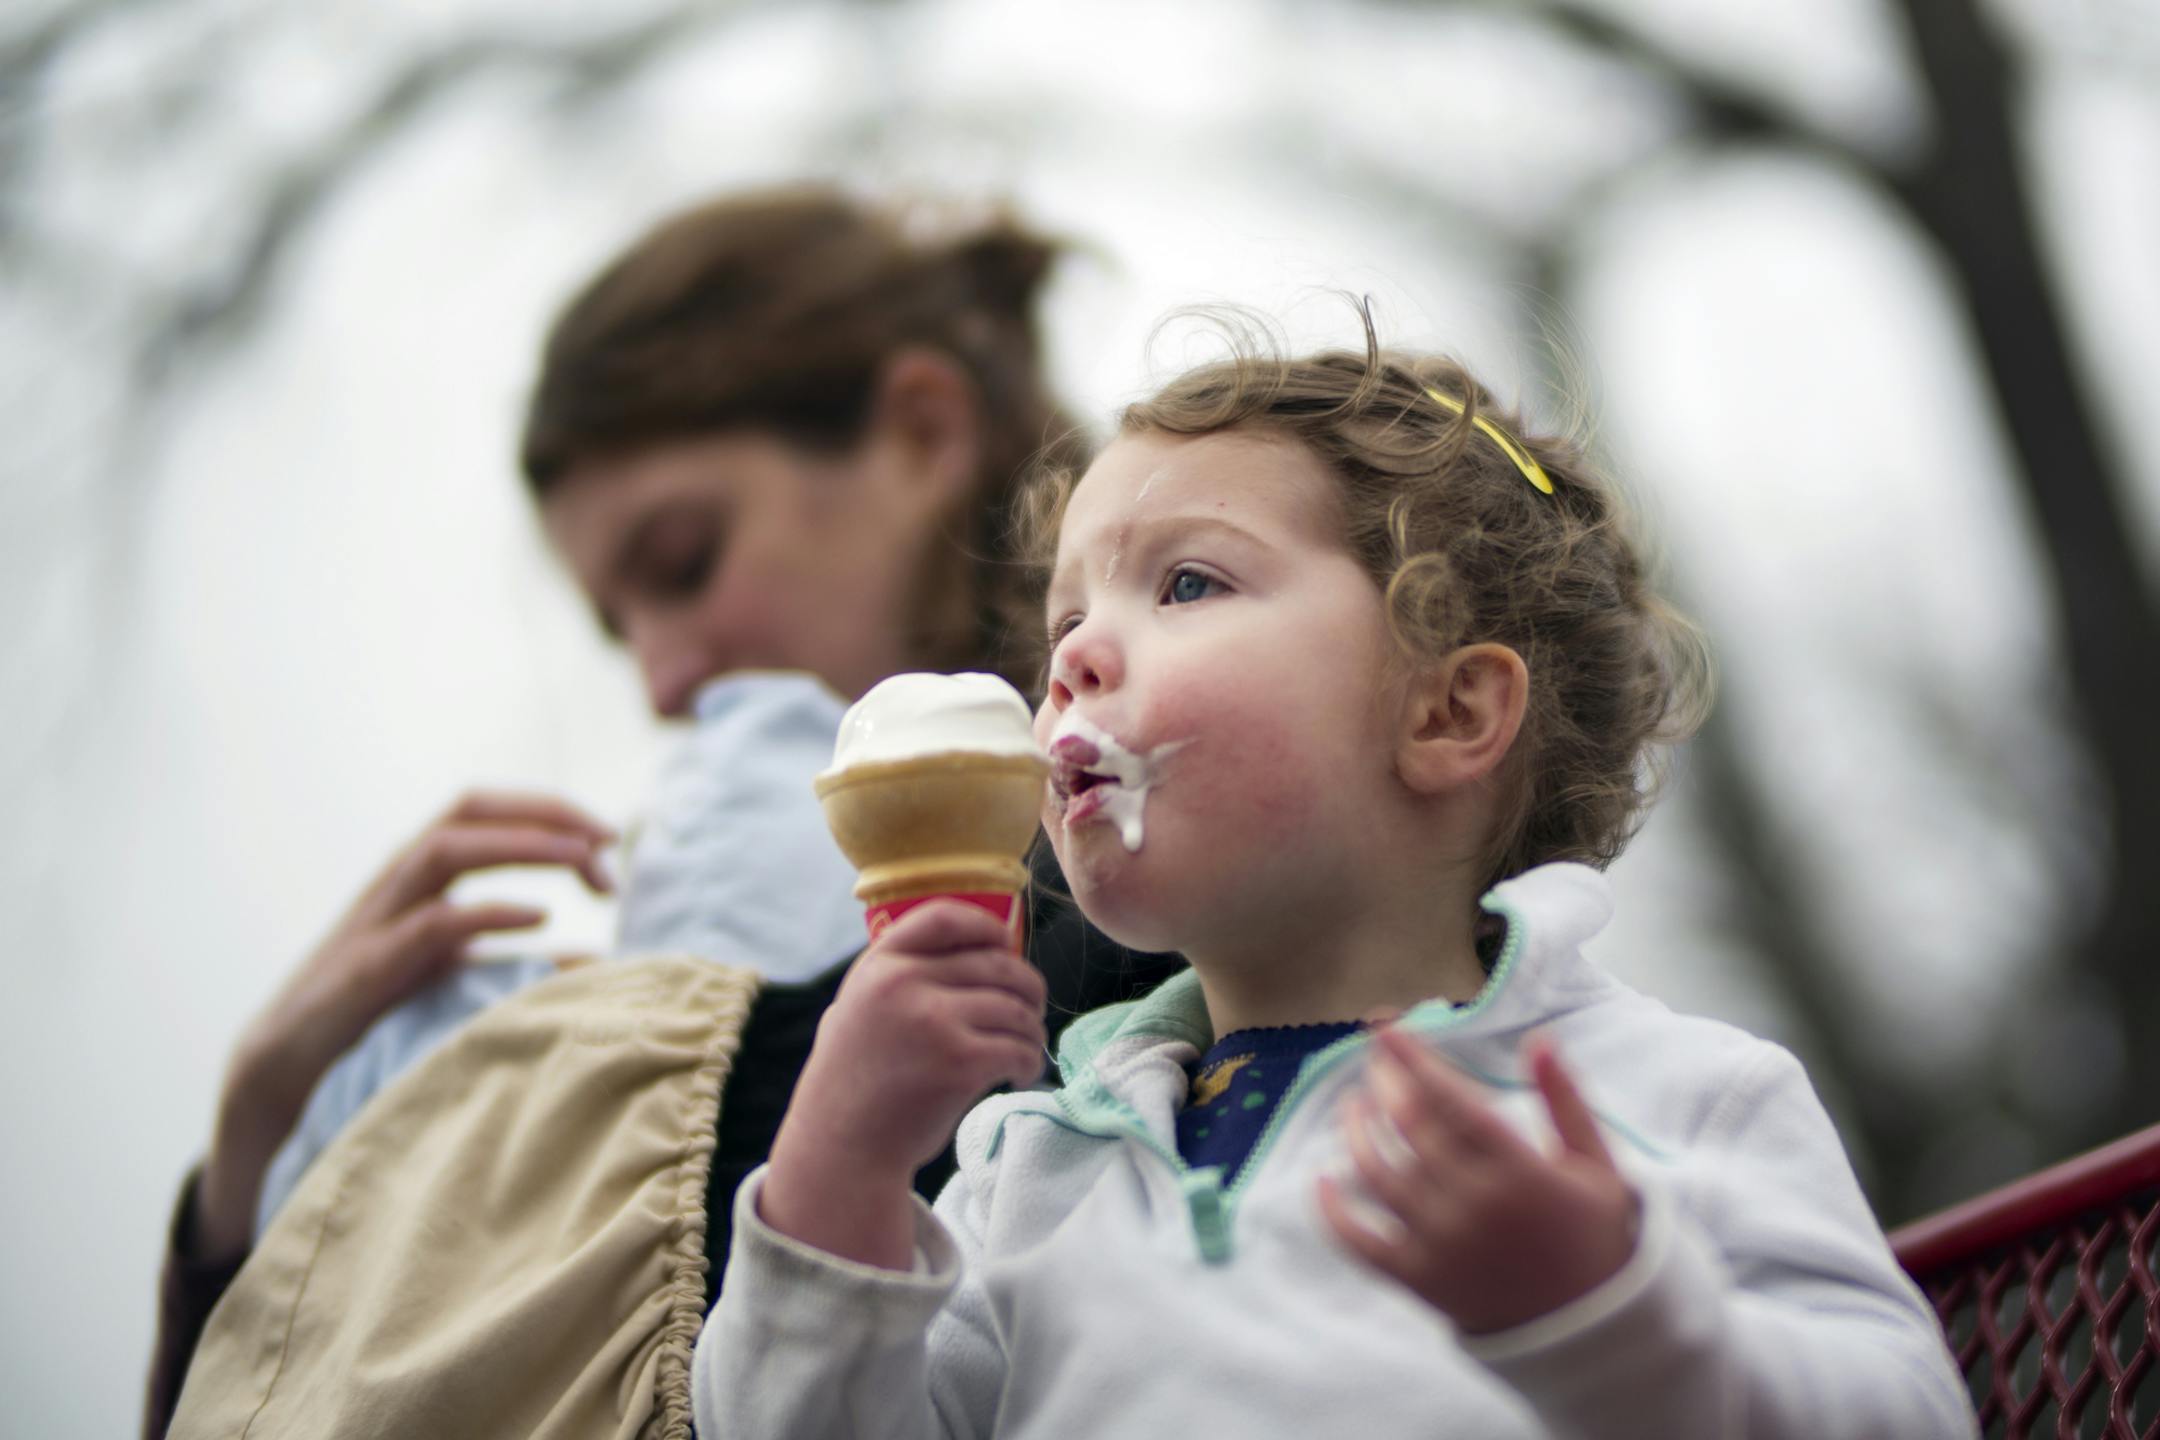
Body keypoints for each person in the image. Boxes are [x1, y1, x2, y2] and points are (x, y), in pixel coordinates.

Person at [691, 314, 1979, 1438]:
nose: (1073, 663)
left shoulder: (1674, 1099)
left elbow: (1909, 1413)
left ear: (1448, 713)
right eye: (1065, 626)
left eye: (1186, 584)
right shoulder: (1027, 1166)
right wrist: (838, 1176)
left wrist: (1606, 1309)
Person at [146, 186, 1178, 1438]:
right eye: (618, 627)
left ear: (919, 433)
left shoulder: (1169, 864)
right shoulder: (643, 943)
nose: (663, 679)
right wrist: (258, 1157)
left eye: (683, 562)